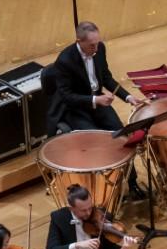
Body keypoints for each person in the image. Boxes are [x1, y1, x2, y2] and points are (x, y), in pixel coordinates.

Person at [45, 21, 149, 197]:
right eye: (92, 45)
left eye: (97, 43)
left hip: (97, 102)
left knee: (122, 137)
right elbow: (67, 97)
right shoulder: (64, 61)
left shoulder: (99, 49)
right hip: (75, 109)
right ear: (79, 41)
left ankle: (132, 184)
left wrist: (128, 98)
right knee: (99, 145)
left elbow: (107, 77)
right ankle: (105, 191)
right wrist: (95, 99)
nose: (96, 48)